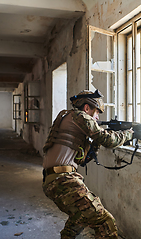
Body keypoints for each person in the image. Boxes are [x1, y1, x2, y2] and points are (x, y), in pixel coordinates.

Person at [42, 89, 134, 239]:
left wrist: (94, 143)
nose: (97, 118)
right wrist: (129, 134)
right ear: (86, 108)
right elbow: (109, 141)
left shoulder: (68, 118)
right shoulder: (80, 116)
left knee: (80, 218)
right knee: (105, 221)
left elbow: (82, 161)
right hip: (63, 180)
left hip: (54, 179)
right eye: (96, 113)